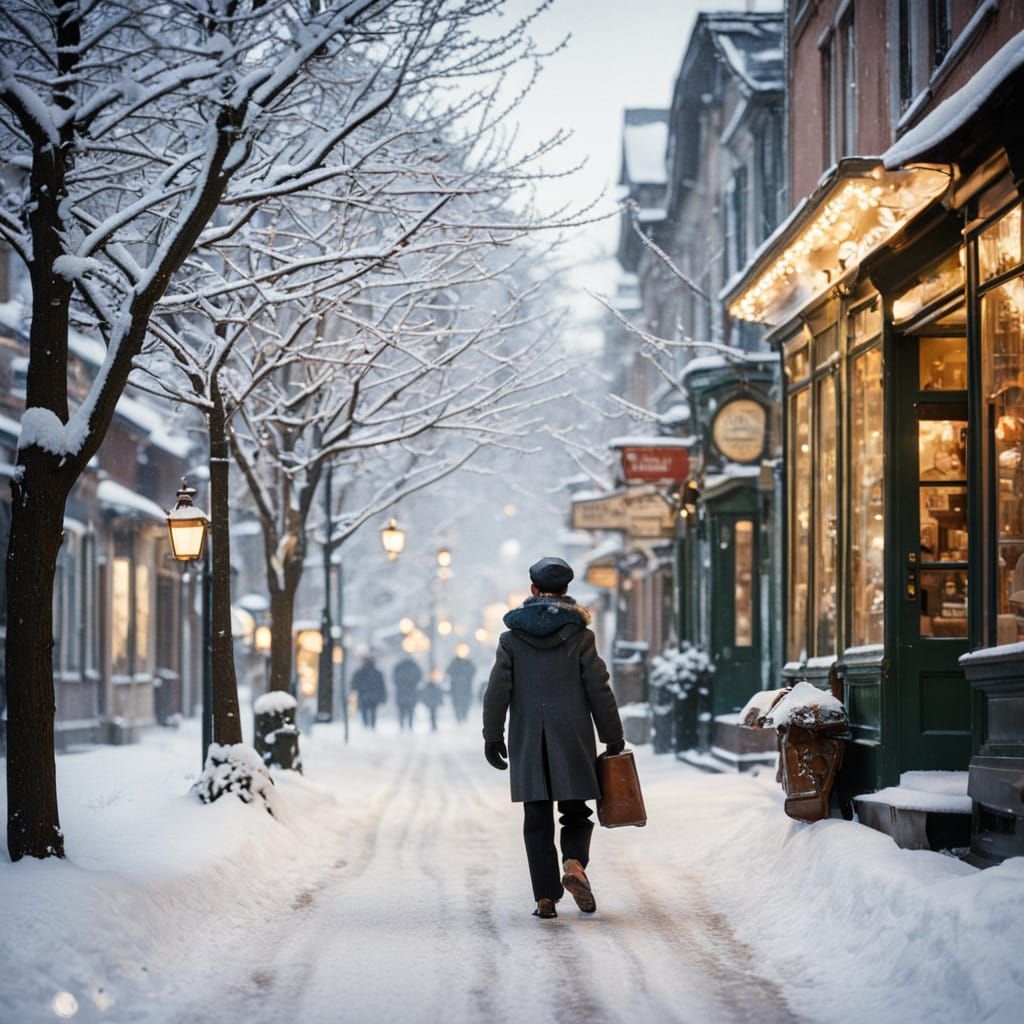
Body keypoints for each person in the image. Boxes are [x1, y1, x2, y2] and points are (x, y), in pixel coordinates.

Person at [483, 556, 624, 920]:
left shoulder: (511, 639)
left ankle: (545, 898)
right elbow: (598, 688)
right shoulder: (581, 637)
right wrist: (612, 736)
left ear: (532, 590)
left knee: (537, 818)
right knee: (576, 811)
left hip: (529, 739)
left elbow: (498, 689)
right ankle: (574, 863)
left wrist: (492, 735)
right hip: (572, 737)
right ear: (566, 592)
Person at [351, 653, 386, 730]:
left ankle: (366, 725)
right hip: (373, 695)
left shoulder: (360, 672)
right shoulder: (377, 673)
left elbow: (354, 683)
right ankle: (372, 725)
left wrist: (356, 689)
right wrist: (383, 696)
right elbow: (382, 686)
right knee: (373, 710)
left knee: (364, 710)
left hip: (364, 694)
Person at [446, 647, 476, 724]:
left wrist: (466, 677)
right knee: (457, 703)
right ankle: (458, 718)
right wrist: (457, 678)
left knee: (466, 703)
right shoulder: (454, 662)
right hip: (456, 688)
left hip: (466, 687)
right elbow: (449, 671)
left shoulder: (468, 663)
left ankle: (464, 716)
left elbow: (472, 671)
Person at [392, 656, 422, 731]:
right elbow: (420, 677)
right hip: (411, 692)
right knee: (410, 710)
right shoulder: (414, 667)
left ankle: (402, 725)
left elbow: (394, 679)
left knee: (401, 710)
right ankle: (410, 725)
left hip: (401, 692)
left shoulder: (399, 667)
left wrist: (401, 684)